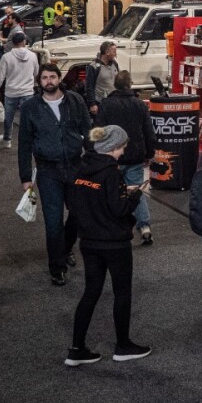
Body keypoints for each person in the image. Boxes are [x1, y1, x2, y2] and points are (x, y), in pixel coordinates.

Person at [65, 125, 151, 367]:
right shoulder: (111, 173)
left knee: (90, 292)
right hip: (114, 243)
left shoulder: (82, 167)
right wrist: (134, 196)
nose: (123, 151)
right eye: (122, 146)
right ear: (112, 147)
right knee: (122, 293)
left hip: (88, 241)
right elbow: (118, 209)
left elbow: (80, 202)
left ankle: (76, 349)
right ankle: (123, 346)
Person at [18, 63, 92, 286]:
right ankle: (57, 268)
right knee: (52, 222)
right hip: (48, 170)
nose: (48, 81)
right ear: (39, 82)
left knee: (79, 214)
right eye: (44, 78)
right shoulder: (31, 107)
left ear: (59, 79)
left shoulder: (75, 101)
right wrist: (25, 177)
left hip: (75, 166)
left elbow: (87, 131)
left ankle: (66, 247)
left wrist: (97, 161)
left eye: (52, 77)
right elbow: (24, 143)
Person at [96, 71, 157, 246]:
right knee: (136, 191)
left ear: (115, 84)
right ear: (130, 84)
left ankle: (113, 227)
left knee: (112, 192)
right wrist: (150, 153)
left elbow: (98, 130)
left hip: (112, 156)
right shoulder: (139, 104)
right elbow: (149, 132)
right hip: (135, 156)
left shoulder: (106, 104)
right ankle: (144, 227)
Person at [0, 31, 39, 149]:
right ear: (24, 41)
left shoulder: (6, 57)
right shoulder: (33, 56)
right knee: (27, 117)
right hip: (27, 91)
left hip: (11, 91)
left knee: (9, 117)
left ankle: (7, 139)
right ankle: (28, 139)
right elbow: (36, 72)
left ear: (13, 43)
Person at [84, 41, 119, 116]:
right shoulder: (94, 67)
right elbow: (89, 86)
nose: (115, 54)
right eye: (114, 52)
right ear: (107, 52)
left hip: (114, 103)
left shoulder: (115, 64)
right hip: (100, 104)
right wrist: (92, 104)